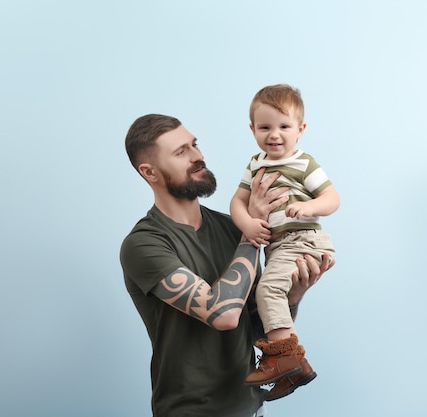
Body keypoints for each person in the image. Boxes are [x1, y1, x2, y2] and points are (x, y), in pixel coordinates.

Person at [120, 113, 334, 417]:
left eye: (194, 145)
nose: (198, 156)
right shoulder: (144, 244)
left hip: (250, 408)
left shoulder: (232, 228)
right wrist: (251, 234)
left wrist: (293, 296)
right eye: (181, 152)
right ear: (150, 172)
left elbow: (253, 325)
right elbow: (223, 314)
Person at [230, 84, 340, 400]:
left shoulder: (304, 163)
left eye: (284, 127)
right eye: (265, 127)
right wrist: (248, 224)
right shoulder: (255, 164)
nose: (274, 135)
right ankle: (298, 365)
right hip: (279, 246)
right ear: (252, 129)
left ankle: (281, 355)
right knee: (270, 294)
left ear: (300, 129)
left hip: (304, 240)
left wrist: (308, 207)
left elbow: (332, 198)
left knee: (268, 290)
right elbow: (237, 202)